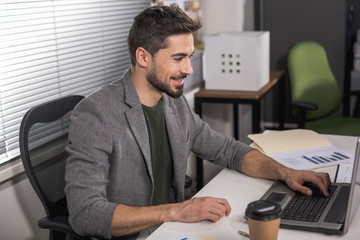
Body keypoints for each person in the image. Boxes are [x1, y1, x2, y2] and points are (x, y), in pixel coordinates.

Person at [65, 4, 330, 240]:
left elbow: (227, 150)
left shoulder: (172, 102)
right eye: (178, 58)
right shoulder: (95, 114)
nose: (189, 70)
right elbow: (85, 214)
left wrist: (286, 173)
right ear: (143, 57)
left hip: (171, 229)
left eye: (189, 57)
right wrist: (178, 210)